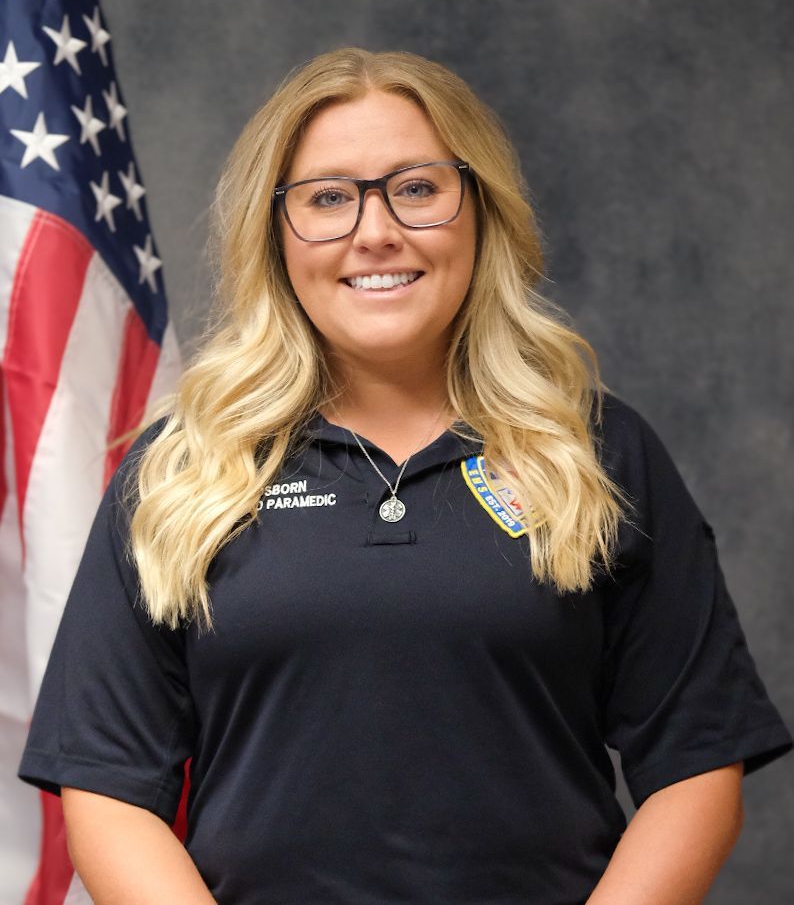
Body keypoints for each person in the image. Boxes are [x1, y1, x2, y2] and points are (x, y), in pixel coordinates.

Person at [19, 47, 792, 904]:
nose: (375, 231)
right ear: (274, 235)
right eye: (327, 198)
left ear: (479, 210)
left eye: (418, 188)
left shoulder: (598, 452)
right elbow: (108, 793)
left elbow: (697, 770)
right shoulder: (181, 470)